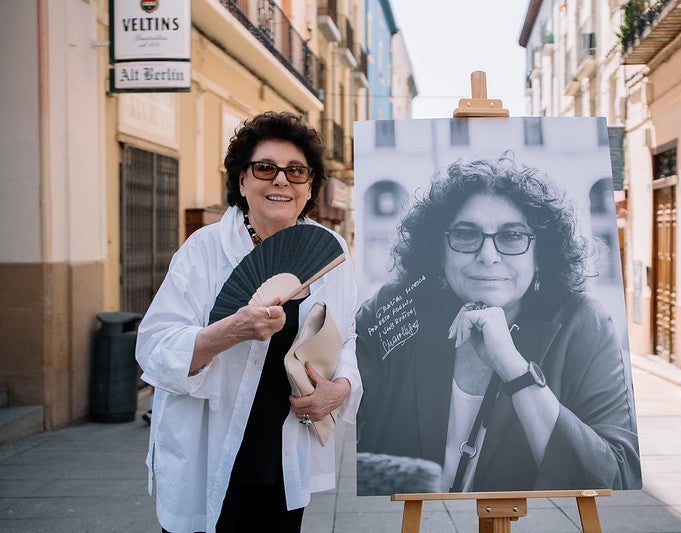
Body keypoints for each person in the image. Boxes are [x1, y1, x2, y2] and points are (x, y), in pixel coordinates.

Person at [355, 154, 641, 495]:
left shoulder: (583, 323)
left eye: (512, 236)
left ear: (541, 254)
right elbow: (342, 412)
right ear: (439, 251)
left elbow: (617, 477)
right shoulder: (394, 308)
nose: (488, 255)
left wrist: (513, 367)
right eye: (465, 234)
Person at [135, 111, 361, 533]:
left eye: (296, 171)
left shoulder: (332, 249)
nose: (281, 181)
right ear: (242, 181)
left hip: (284, 454)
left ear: (309, 186)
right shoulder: (203, 250)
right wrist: (231, 330)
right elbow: (153, 348)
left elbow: (349, 336)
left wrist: (341, 389)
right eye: (265, 168)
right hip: (208, 448)